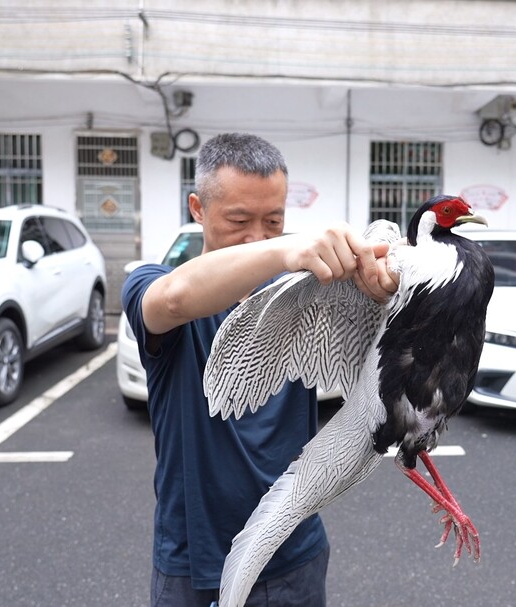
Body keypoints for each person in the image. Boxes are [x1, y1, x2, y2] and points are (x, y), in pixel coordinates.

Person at [121, 132, 398, 607]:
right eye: (238, 220)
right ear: (197, 208)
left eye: (274, 221)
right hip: (195, 564)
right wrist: (285, 249)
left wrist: (378, 289)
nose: (257, 236)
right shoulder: (155, 283)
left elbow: (371, 339)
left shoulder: (304, 291)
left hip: (294, 554)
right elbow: (172, 300)